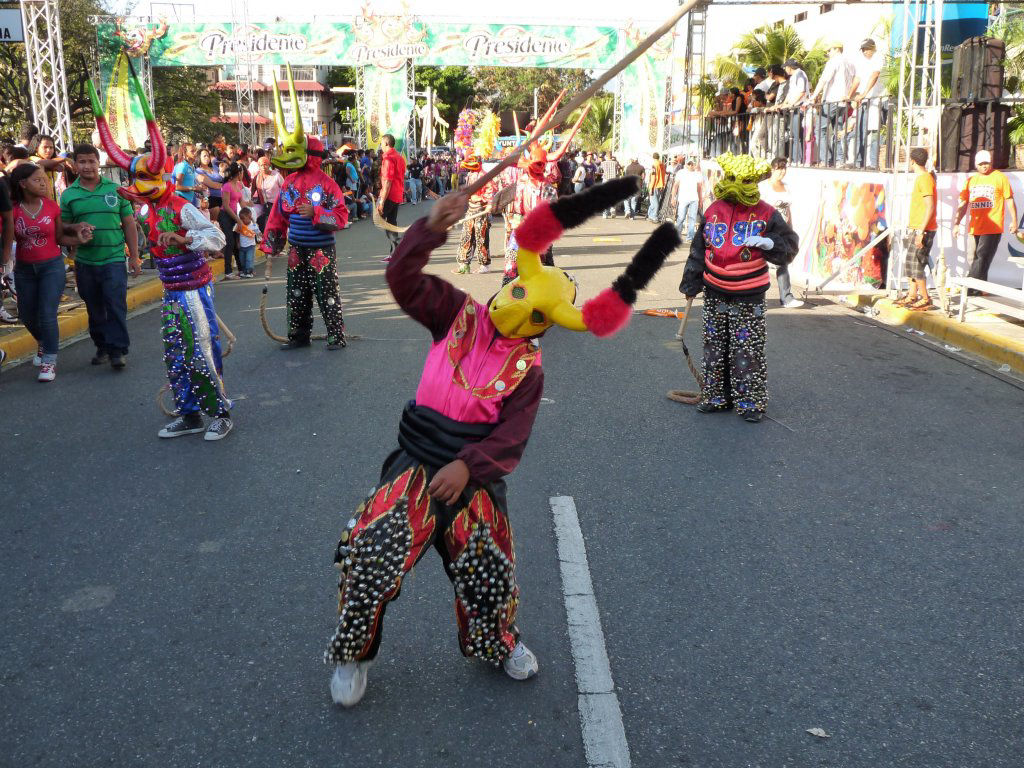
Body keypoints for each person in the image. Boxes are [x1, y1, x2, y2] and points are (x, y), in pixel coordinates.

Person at [324, 179, 679, 707]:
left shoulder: (528, 369)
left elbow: (512, 436)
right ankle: (354, 655)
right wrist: (429, 229)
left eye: (535, 314)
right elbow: (401, 278)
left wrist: (469, 467)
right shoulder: (456, 314)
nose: (515, 308)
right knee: (371, 554)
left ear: (545, 327)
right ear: (510, 280)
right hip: (415, 467)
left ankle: (496, 644)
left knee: (489, 574)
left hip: (474, 483)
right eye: (516, 291)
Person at [89, 70, 232, 438]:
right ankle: (189, 414)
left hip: (195, 290)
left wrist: (185, 241)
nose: (136, 188)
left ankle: (219, 412)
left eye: (144, 181)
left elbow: (216, 239)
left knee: (202, 347)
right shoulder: (145, 210)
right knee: (175, 353)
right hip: (171, 292)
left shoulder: (180, 205)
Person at [680, 153, 799, 422]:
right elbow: (699, 249)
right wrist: (691, 283)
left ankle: (749, 402)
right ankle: (716, 396)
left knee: (747, 348)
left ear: (754, 181)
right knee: (714, 346)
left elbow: (790, 245)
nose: (735, 184)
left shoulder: (768, 213)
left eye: (742, 180)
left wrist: (770, 243)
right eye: (731, 178)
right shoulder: (712, 210)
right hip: (714, 289)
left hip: (749, 294)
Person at [262, 74, 349, 351]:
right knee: (297, 295)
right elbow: (278, 216)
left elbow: (341, 218)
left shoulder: (328, 184)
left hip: (322, 250)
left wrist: (316, 211)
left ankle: (336, 335)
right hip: (297, 249)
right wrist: (272, 242)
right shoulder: (287, 182)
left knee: (327, 295)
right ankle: (298, 336)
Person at [60, 143, 141, 369]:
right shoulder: (69, 195)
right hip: (85, 262)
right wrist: (76, 227)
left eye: (91, 161)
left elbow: (129, 224)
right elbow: (62, 226)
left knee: (115, 305)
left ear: (99, 163)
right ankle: (102, 346)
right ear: (75, 166)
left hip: (114, 259)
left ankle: (117, 350)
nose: (87, 166)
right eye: (82, 162)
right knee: (94, 308)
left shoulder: (116, 190)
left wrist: (134, 257)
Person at [7, 163, 90, 382]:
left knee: (46, 313)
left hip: (51, 266)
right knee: (26, 314)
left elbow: (60, 238)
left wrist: (78, 240)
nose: (44, 182)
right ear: (22, 184)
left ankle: (49, 361)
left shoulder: (52, 206)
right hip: (24, 269)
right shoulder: (13, 210)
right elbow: (6, 239)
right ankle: (44, 342)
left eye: (44, 178)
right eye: (37, 179)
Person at [953, 149, 1020, 288]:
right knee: (973, 258)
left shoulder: (999, 177)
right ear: (976, 164)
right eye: (981, 164)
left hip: (992, 226)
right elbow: (963, 204)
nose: (984, 166)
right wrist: (956, 223)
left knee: (982, 256)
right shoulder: (971, 180)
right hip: (974, 226)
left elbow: (1009, 200)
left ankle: (970, 287)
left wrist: (1014, 220)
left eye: (987, 163)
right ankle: (979, 289)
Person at [895, 148, 938, 311]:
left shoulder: (925, 179)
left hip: (923, 229)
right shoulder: (923, 178)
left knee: (917, 264)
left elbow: (930, 206)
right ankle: (912, 295)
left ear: (912, 161)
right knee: (910, 263)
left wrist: (921, 231)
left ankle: (925, 298)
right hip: (916, 227)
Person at [758, 157, 803, 308]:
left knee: (782, 261)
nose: (782, 172)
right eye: (779, 168)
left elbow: (789, 209)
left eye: (784, 168)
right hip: (767, 227)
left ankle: (786, 297)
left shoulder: (787, 187)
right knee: (759, 261)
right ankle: (757, 296)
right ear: (772, 169)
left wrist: (790, 226)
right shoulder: (763, 186)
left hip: (783, 229)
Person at [810, 43, 853, 167]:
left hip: (832, 100)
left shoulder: (834, 61)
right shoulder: (849, 62)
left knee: (820, 129)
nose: (827, 53)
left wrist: (814, 96)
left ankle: (826, 159)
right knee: (838, 130)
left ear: (836, 49)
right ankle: (839, 160)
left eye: (829, 50)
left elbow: (824, 79)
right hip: (843, 101)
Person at [454, 155, 495, 274]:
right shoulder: (470, 174)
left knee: (481, 237)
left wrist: (484, 201)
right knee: (466, 236)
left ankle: (484, 265)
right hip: (470, 209)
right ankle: (464, 264)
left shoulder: (484, 175)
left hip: (481, 210)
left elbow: (491, 191)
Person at [848, 39, 884, 168]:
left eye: (866, 49)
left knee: (874, 132)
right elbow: (857, 79)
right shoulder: (862, 62)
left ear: (872, 48)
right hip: (863, 101)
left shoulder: (879, 58)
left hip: (876, 99)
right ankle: (858, 161)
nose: (864, 52)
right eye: (863, 50)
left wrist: (864, 93)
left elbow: (875, 75)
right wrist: (850, 94)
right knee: (859, 131)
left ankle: (873, 163)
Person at [378, 134, 406, 256]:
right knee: (391, 222)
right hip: (397, 193)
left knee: (381, 220)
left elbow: (388, 181)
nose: (381, 146)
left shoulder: (388, 158)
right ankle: (395, 252)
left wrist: (382, 202)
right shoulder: (399, 158)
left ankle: (397, 249)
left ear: (386, 143)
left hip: (390, 194)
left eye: (381, 143)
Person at [218, 162, 246, 280]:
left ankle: (241, 270)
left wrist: (248, 216)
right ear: (238, 173)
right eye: (242, 172)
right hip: (225, 216)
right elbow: (226, 205)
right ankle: (228, 272)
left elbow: (242, 202)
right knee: (230, 242)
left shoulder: (239, 185)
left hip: (235, 217)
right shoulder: (227, 186)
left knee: (236, 243)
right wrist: (237, 219)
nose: (243, 174)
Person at [783, 59, 809, 163]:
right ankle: (794, 158)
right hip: (794, 108)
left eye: (785, 67)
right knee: (793, 135)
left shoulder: (800, 74)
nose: (785, 69)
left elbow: (802, 91)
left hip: (799, 107)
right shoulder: (794, 77)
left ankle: (798, 159)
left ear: (789, 67)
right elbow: (790, 94)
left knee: (797, 135)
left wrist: (792, 103)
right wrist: (784, 104)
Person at [672, 160, 703, 242]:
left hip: (694, 199)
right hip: (683, 199)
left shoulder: (698, 174)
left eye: (692, 164)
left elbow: (699, 188)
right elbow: (675, 186)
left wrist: (700, 200)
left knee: (692, 219)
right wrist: (673, 198)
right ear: (686, 164)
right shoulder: (681, 173)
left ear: (695, 165)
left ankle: (690, 237)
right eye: (689, 164)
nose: (690, 166)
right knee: (680, 218)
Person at [251, 155, 283, 232]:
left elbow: (284, 188)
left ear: (269, 165)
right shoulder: (257, 177)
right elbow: (252, 191)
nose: (263, 167)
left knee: (274, 223)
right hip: (264, 204)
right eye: (261, 165)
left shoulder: (276, 175)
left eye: (265, 164)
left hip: (276, 204)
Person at [233, 206, 260, 279]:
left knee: (249, 259)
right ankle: (244, 271)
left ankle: (249, 272)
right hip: (242, 246)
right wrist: (238, 243)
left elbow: (258, 232)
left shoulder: (253, 225)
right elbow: (237, 234)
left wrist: (254, 221)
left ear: (249, 217)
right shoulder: (240, 225)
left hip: (250, 246)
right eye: (240, 218)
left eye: (243, 218)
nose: (241, 220)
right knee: (242, 260)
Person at [647, 153, 667, 221]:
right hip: (660, 184)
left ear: (653, 157)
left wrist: (651, 187)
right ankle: (650, 215)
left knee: (654, 202)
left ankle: (654, 216)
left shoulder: (654, 165)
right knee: (654, 201)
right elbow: (664, 175)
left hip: (655, 184)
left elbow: (653, 176)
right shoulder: (662, 164)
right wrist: (663, 184)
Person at [600, 153, 620, 218]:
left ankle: (605, 214)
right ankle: (613, 210)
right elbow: (618, 171)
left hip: (605, 180)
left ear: (606, 156)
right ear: (611, 156)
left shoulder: (603, 163)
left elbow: (601, 170)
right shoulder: (615, 163)